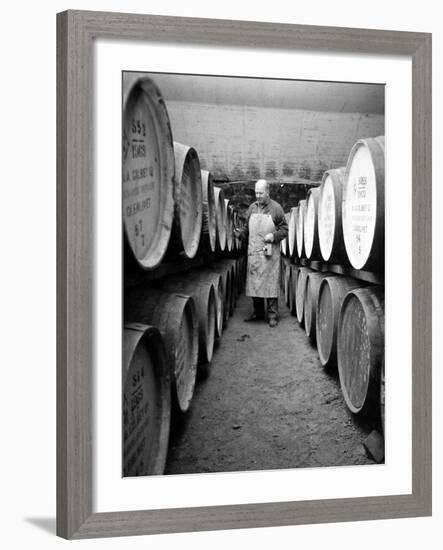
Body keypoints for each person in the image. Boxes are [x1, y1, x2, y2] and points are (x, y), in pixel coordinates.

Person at [234, 179, 288, 327]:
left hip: (269, 252)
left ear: (267, 192)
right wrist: (241, 234)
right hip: (254, 252)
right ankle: (258, 313)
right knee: (255, 284)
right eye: (256, 193)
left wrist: (274, 236)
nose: (258, 196)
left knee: (270, 284)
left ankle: (272, 315)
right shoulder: (251, 208)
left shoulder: (276, 208)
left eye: (260, 193)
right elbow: (247, 228)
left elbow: (285, 230)